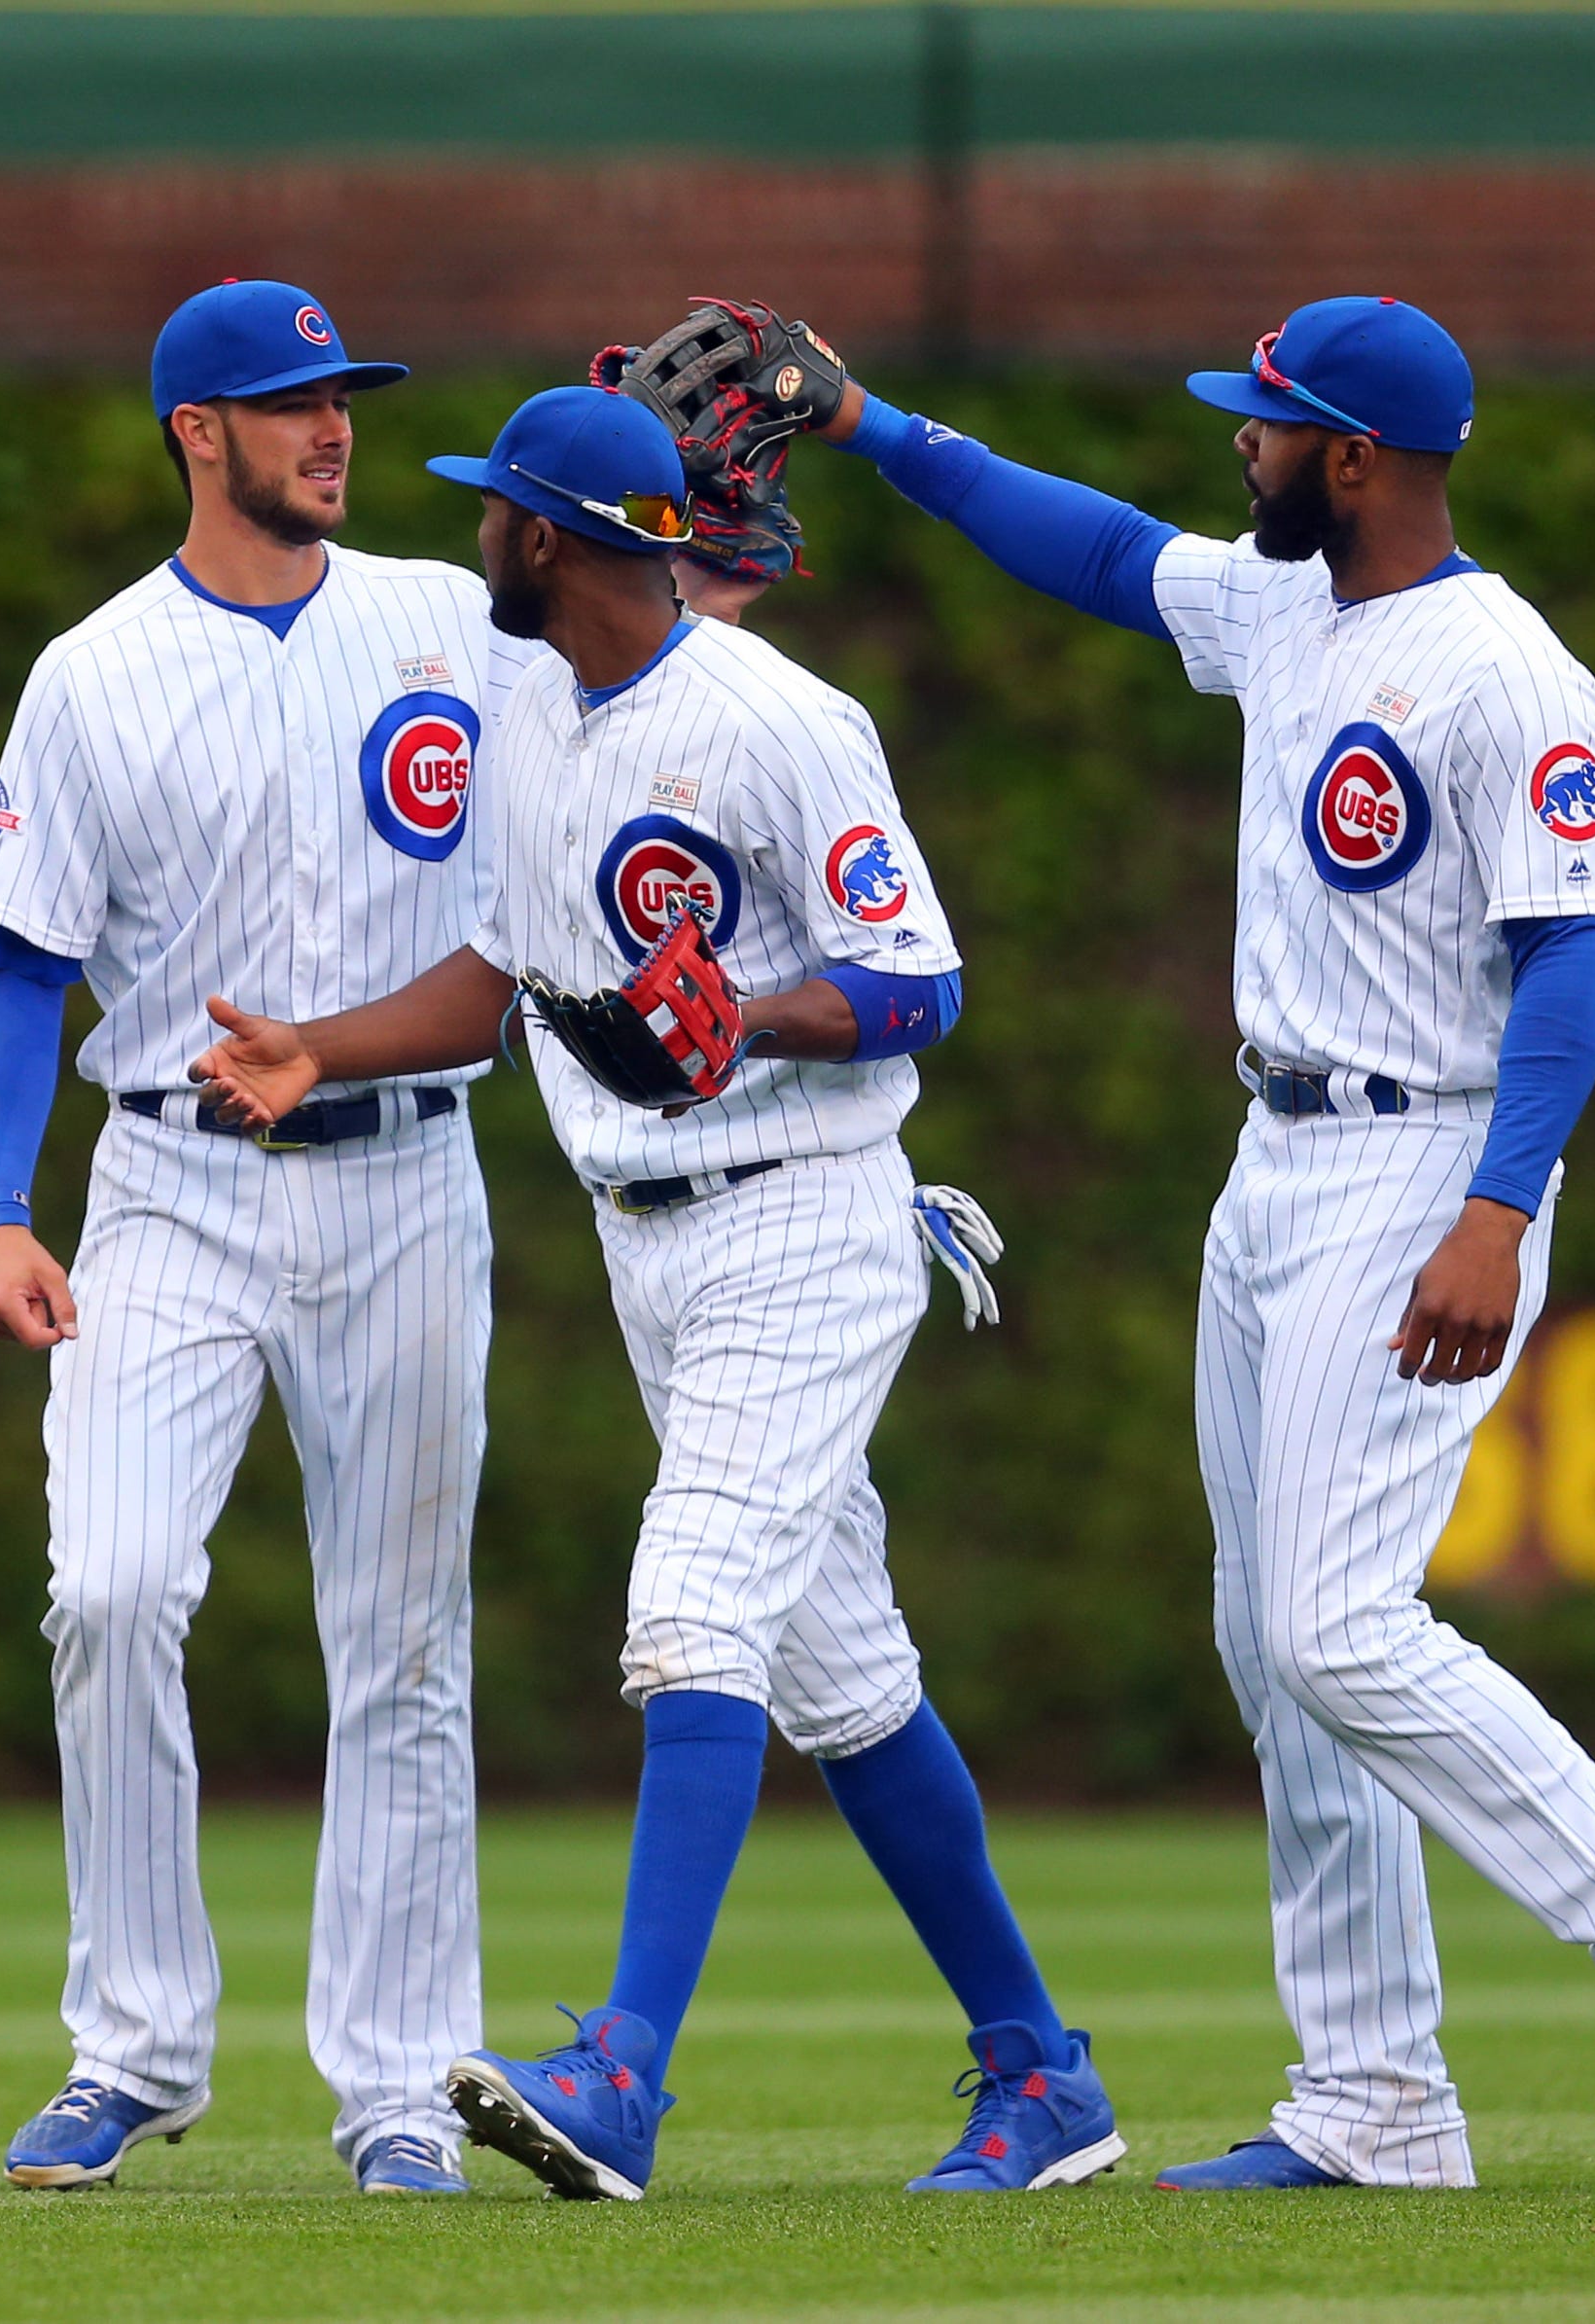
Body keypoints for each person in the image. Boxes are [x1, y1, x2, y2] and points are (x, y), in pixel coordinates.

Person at [787, 296, 1595, 2193]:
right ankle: (1372, 2102)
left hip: (1426, 1161)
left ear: (1350, 455)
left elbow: (1572, 956)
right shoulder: (1285, 609)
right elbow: (1090, 548)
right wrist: (866, 426)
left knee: (1334, 1621)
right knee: (1272, 1650)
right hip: (1274, 1156)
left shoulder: (1507, 670)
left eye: (1259, 426)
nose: (1232, 447)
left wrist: (1498, 1211)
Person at [189, 383, 1122, 2202]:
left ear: (546, 539)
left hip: (804, 1214)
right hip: (649, 1241)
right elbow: (505, 980)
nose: (473, 536)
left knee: (689, 1615)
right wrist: (324, 1044)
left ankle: (619, 2073)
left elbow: (918, 978)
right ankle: (1041, 2074)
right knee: (841, 1680)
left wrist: (754, 1015)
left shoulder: (783, 719)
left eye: (491, 514)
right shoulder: (532, 711)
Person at [0, 279, 535, 2197]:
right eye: (290, 401)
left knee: (400, 1642)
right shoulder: (92, 669)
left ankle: (395, 2077)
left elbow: (627, 697)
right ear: (195, 429)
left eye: (343, 396)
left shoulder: (444, 621)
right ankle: (128, 2048)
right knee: (110, 1589)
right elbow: (17, 967)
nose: (333, 425)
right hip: (171, 1186)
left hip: (404, 1178)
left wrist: (693, 571)